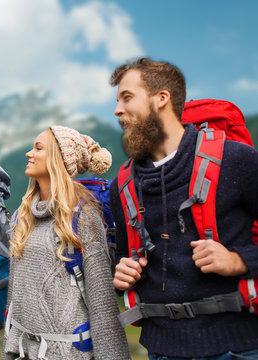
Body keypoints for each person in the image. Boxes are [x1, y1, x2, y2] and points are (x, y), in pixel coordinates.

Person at [110, 57, 258, 359]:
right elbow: (125, 258)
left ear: (161, 98)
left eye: (127, 97)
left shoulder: (238, 161)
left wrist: (239, 260)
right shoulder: (122, 186)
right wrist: (121, 271)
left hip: (239, 347)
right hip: (162, 350)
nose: (117, 110)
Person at [1, 125, 130, 360]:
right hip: (24, 352)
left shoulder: (84, 217)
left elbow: (101, 304)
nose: (29, 154)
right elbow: (15, 297)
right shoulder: (22, 215)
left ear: (60, 159)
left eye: (38, 148)